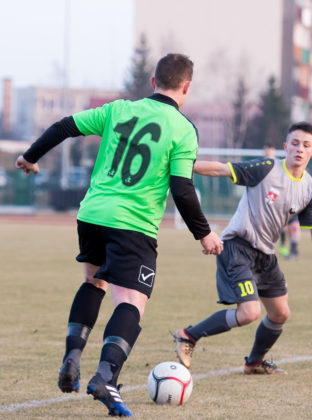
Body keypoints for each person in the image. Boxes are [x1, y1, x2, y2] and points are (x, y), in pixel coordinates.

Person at [15, 53, 223, 417]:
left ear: (153, 81)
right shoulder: (183, 129)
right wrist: (203, 234)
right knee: (131, 302)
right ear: (187, 87)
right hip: (134, 224)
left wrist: (30, 157)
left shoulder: (118, 109)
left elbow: (64, 126)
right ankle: (106, 377)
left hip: (92, 214)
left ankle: (72, 356)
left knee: (94, 282)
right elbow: (182, 188)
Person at [173, 122, 312, 374]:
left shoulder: (309, 188)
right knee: (249, 312)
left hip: (266, 254)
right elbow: (221, 169)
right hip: (237, 246)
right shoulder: (266, 168)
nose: (299, 149)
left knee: (280, 313)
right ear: (285, 146)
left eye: (306, 145)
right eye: (295, 143)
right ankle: (188, 335)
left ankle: (253, 362)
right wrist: (182, 166)